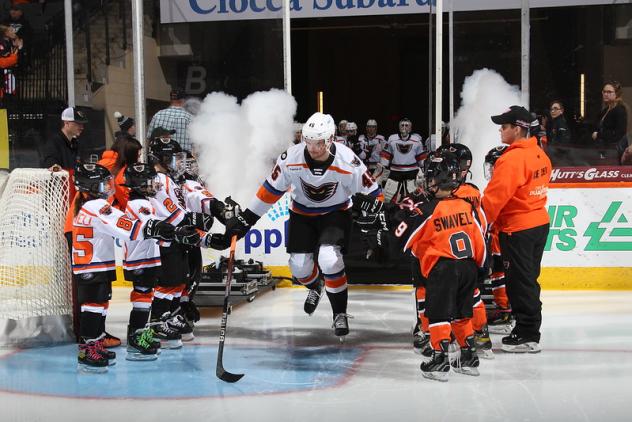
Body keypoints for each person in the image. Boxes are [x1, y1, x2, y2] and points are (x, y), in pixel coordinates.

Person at [223, 112, 383, 339]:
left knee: (329, 258)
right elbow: (270, 190)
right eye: (308, 141)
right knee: (299, 268)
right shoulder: (291, 158)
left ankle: (339, 313)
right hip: (301, 214)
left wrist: (369, 211)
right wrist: (247, 219)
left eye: (318, 143)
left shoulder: (348, 160)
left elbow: (375, 195)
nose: (312, 148)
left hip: (335, 213)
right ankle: (316, 286)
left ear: (330, 140)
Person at [354, 153, 487, 381]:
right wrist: (480, 271)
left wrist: (379, 240)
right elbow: (480, 242)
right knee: (462, 313)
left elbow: (399, 239)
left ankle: (439, 359)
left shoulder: (425, 211)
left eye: (431, 178)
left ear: (437, 180)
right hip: (468, 269)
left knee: (438, 314)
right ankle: (469, 356)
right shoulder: (467, 207)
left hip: (442, 269)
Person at [71, 162, 181, 372]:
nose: (109, 187)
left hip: (96, 264)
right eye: (103, 184)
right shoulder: (95, 207)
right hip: (91, 265)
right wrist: (156, 228)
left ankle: (95, 344)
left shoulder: (89, 206)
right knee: (93, 307)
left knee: (99, 304)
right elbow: (126, 226)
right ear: (90, 187)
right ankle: (87, 351)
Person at [482, 105, 551, 353]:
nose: (500, 130)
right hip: (538, 223)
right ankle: (528, 328)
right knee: (528, 280)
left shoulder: (511, 159)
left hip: (518, 228)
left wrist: (480, 223)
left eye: (505, 125)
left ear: (518, 129)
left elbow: (493, 199)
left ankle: (527, 333)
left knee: (520, 283)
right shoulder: (539, 153)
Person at [482, 145, 513, 334]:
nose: (491, 169)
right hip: (500, 236)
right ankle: (506, 308)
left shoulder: (504, 184)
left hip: (503, 236)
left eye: (494, 165)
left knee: (500, 273)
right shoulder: (501, 182)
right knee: (499, 273)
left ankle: (506, 310)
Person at [377, 117, 427, 203]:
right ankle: (390, 212)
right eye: (402, 125)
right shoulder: (392, 139)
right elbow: (386, 155)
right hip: (395, 172)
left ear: (410, 128)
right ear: (399, 127)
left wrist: (423, 170)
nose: (404, 127)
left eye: (406, 125)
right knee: (389, 196)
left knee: (413, 196)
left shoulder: (416, 140)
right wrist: (382, 169)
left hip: (412, 173)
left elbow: (421, 158)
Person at [146, 88, 193, 152]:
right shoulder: (189, 118)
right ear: (183, 100)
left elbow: (149, 139)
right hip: (182, 158)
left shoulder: (158, 115)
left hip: (159, 158)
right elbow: (196, 143)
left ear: (171, 100)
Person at [592, 82, 628, 160]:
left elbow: (619, 134)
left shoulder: (620, 109)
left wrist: (598, 135)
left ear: (617, 94)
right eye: (604, 92)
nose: (605, 94)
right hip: (603, 150)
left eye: (609, 92)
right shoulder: (605, 110)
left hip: (612, 152)